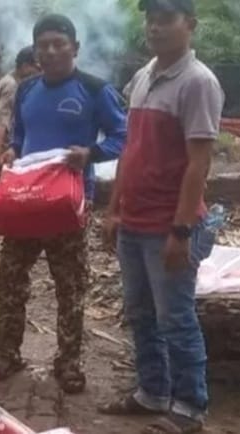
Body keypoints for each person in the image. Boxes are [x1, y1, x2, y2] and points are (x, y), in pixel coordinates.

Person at [0, 14, 127, 394]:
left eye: (58, 44)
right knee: (11, 280)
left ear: (74, 49)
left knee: (70, 287)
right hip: (26, 203)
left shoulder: (95, 90)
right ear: (36, 51)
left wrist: (91, 153)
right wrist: (12, 150)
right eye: (43, 45)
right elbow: (21, 133)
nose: (49, 51)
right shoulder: (27, 90)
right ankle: (7, 354)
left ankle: (68, 364)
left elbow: (124, 136)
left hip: (68, 205)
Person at [100, 1, 224, 432]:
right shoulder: (145, 75)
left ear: (189, 25)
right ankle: (152, 392)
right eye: (150, 18)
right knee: (140, 312)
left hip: (168, 225)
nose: (154, 27)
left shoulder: (198, 83)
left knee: (176, 317)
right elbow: (129, 149)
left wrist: (182, 231)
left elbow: (198, 164)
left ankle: (190, 408)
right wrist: (113, 210)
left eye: (165, 19)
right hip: (134, 222)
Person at [0, 45, 40, 180]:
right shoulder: (13, 87)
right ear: (25, 66)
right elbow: (0, 121)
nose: (40, 74)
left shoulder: (7, 80)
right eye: (38, 69)